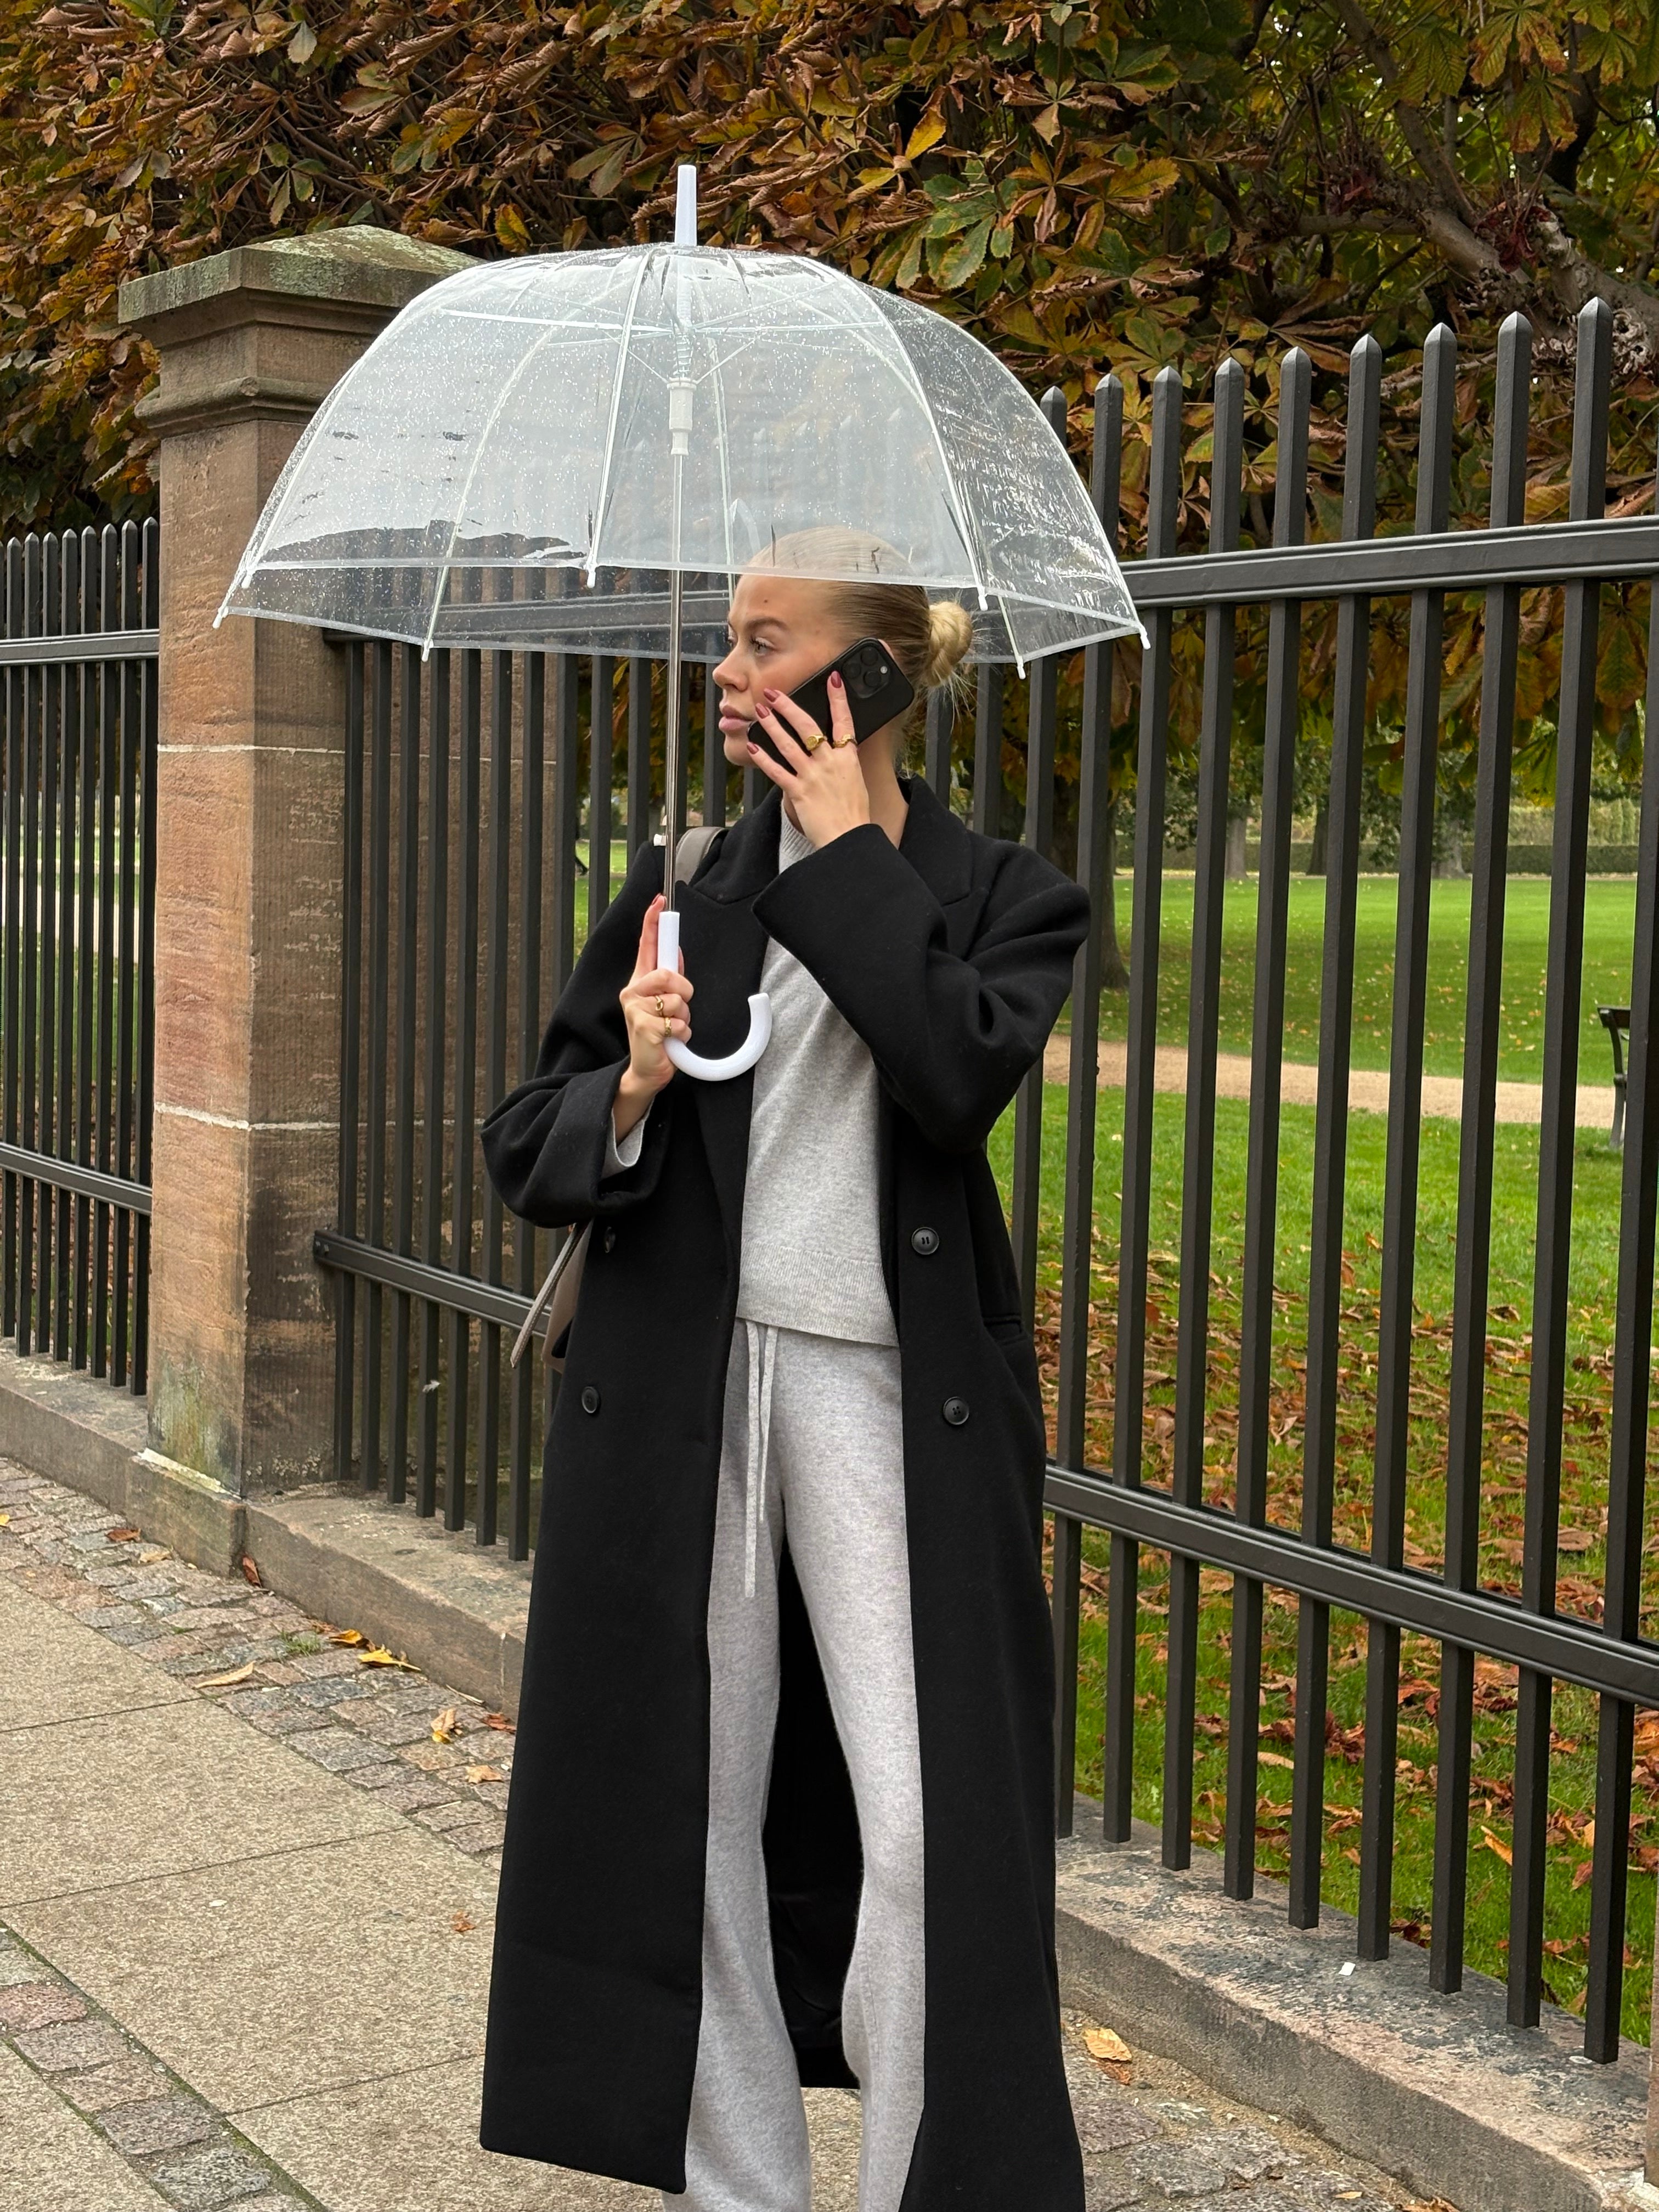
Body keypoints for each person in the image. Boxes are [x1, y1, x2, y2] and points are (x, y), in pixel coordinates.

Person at [477, 528, 1091, 2212]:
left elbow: (955, 1073)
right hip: (684, 1402)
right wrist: (630, 1083)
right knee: (686, 1817)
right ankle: (742, 2189)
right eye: (728, 639)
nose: (727, 672)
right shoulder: (684, 881)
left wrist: (844, 857)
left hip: (886, 1404)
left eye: (765, 640)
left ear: (872, 669)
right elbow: (526, 1139)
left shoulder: (1004, 897)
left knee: (930, 1830)